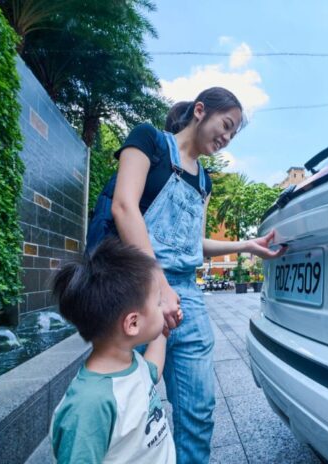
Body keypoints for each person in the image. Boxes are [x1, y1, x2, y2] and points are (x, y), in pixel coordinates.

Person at [85, 86, 285, 463]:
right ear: (199, 111)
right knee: (124, 404)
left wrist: (245, 246)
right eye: (225, 125)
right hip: (132, 290)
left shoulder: (204, 181)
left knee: (198, 410)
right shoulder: (149, 141)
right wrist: (159, 285)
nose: (226, 138)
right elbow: (124, 208)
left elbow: (192, 243)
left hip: (185, 297)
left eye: (232, 133)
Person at [50, 238, 176, 464]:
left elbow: (152, 371)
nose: (163, 307)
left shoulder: (129, 362)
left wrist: (163, 332)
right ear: (132, 324)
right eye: (158, 304)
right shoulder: (89, 405)